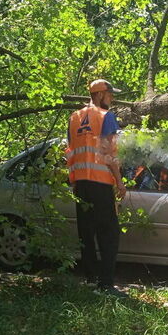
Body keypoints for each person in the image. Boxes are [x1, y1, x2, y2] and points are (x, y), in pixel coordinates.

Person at [66, 79, 127, 298]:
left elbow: (70, 152)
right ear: (100, 95)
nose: (112, 98)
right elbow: (108, 152)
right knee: (109, 234)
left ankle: (91, 280)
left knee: (87, 232)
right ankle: (106, 285)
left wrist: (74, 181)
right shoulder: (105, 116)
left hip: (81, 184)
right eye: (110, 95)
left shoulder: (74, 118)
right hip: (100, 183)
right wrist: (119, 181)